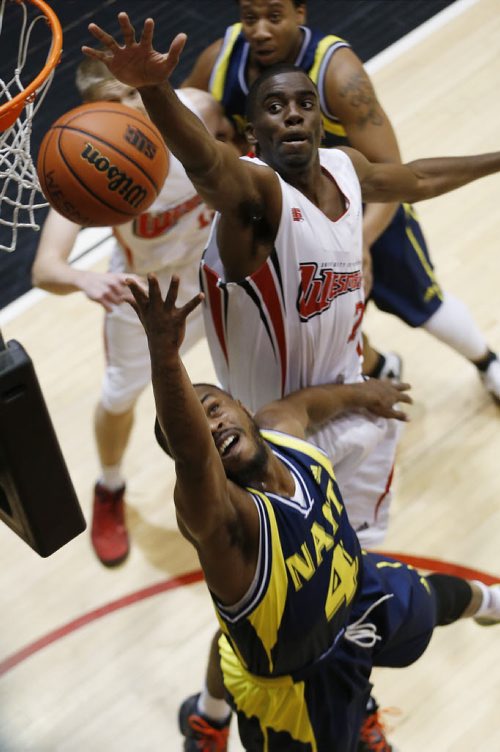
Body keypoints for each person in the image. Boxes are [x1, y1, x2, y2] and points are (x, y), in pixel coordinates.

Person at [83, 13, 500, 750]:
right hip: (266, 441)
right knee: (257, 618)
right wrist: (153, 94)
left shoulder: (345, 170)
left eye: (303, 103)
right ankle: (215, 721)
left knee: (349, 593)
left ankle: (350, 704)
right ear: (254, 133)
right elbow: (208, 165)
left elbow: (420, 176)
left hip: (347, 412)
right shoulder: (252, 197)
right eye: (273, 107)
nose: (292, 115)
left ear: (320, 115)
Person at [130, 271, 500, 752]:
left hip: (356, 594)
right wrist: (164, 353)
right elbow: (194, 454)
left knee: (437, 598)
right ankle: (212, 724)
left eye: (213, 407)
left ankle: (490, 604)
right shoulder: (225, 522)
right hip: (300, 685)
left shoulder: (279, 429)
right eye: (198, 426)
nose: (212, 424)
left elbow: (304, 405)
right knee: (238, 648)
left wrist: (363, 394)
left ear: (241, 406)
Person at [183, 0, 500, 400]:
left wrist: (360, 241)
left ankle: (487, 361)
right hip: (281, 224)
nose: (260, 30)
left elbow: (395, 169)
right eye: (249, 18)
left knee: (424, 303)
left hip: (360, 206)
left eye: (274, 17)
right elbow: (191, 122)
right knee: (317, 320)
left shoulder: (339, 73)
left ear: (301, 13)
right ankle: (380, 367)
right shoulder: (220, 60)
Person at [31, 56, 234, 566]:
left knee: (268, 358)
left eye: (132, 94)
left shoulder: (200, 111)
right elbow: (45, 270)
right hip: (143, 299)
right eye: (111, 103)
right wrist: (85, 278)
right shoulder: (91, 155)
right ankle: (109, 486)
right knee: (120, 397)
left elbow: (238, 156)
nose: (128, 108)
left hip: (218, 273)